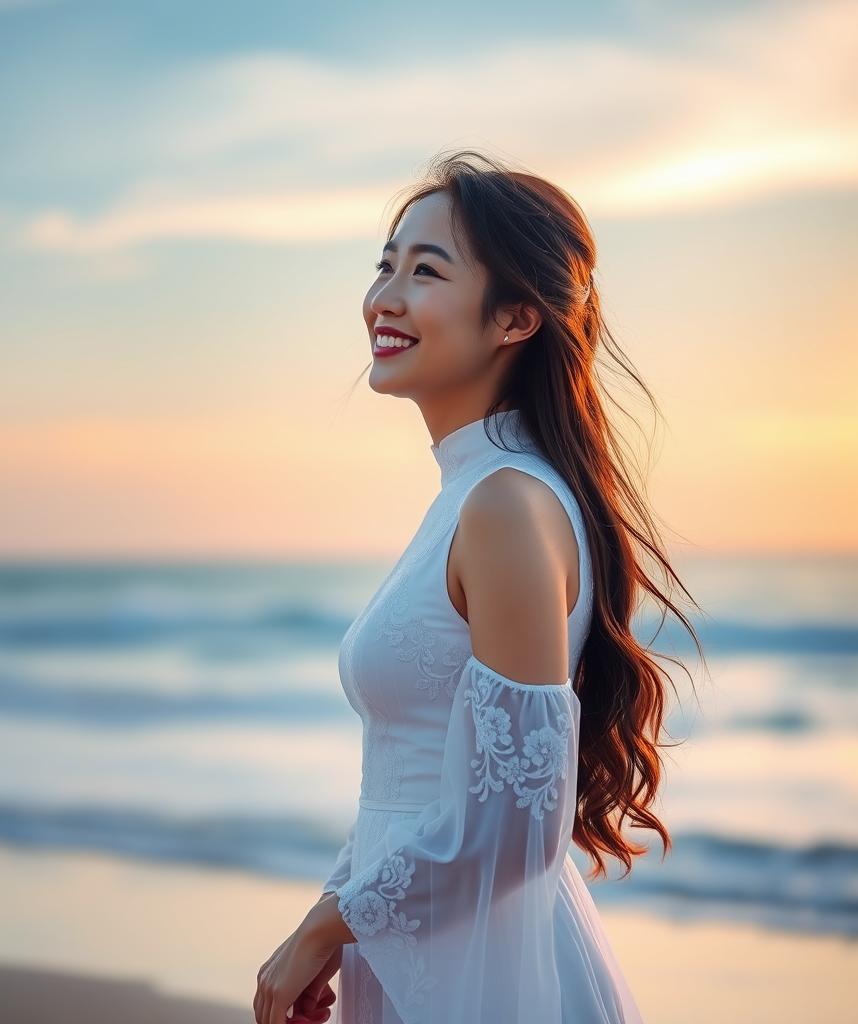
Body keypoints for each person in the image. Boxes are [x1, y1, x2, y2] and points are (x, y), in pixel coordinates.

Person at [253, 152, 697, 1024]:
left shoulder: (505, 504)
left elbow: (514, 827)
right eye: (385, 265)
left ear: (516, 317)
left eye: (427, 271)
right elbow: (405, 787)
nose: (386, 296)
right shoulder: (473, 496)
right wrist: (332, 920)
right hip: (421, 947)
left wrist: (330, 925)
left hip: (485, 979)